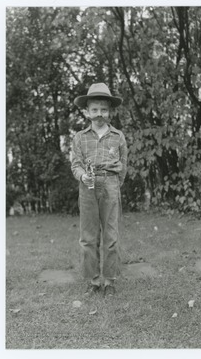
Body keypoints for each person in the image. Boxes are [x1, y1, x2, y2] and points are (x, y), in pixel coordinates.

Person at [71, 83, 127, 297]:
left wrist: (114, 184)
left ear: (110, 111)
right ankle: (94, 282)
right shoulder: (79, 137)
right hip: (87, 188)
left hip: (111, 186)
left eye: (104, 109)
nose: (99, 114)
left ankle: (110, 280)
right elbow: (75, 164)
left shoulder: (118, 136)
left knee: (111, 235)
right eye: (95, 110)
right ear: (87, 112)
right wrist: (82, 175)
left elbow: (123, 165)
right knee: (88, 237)